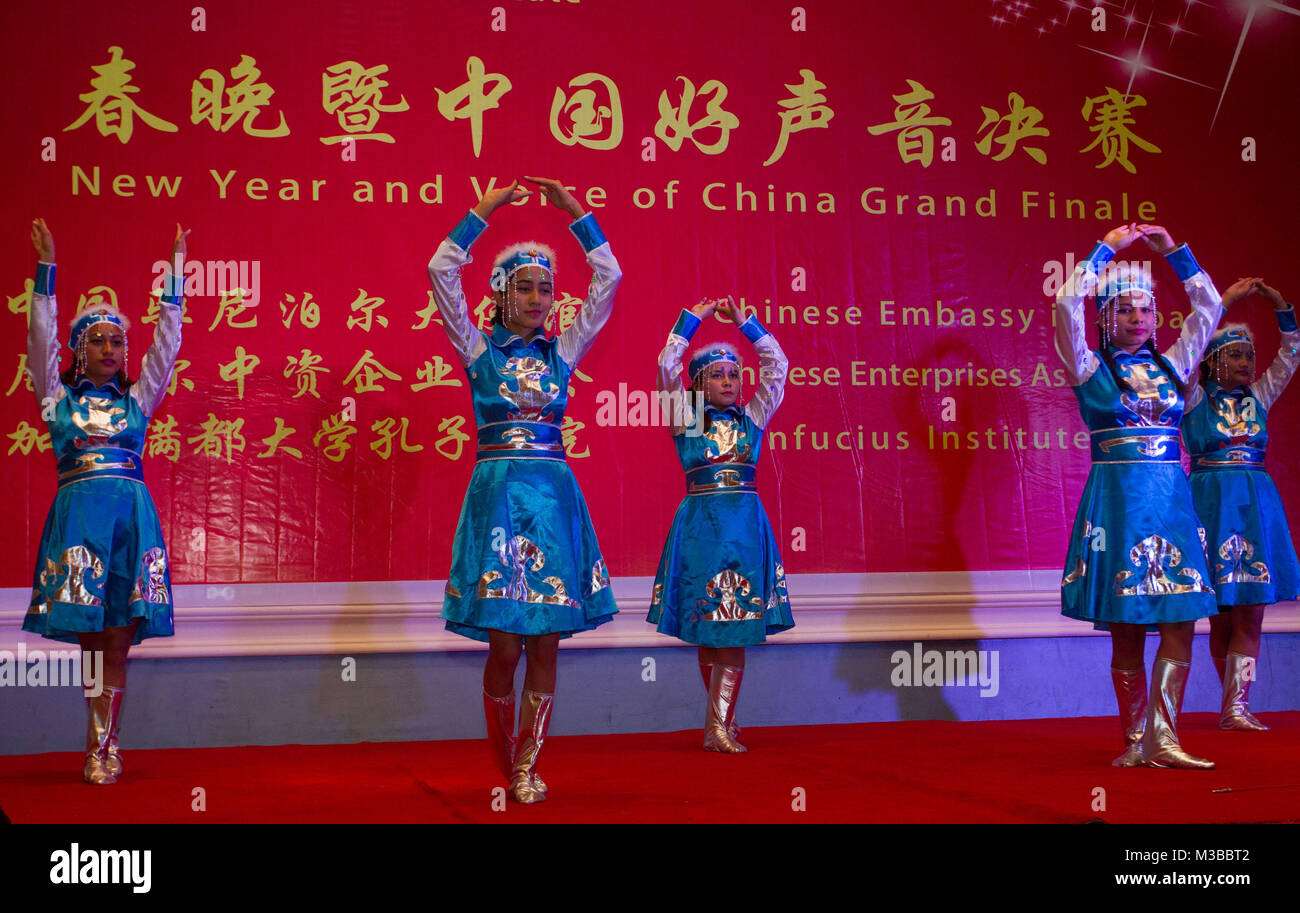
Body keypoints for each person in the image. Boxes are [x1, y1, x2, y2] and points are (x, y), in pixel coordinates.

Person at [426, 176, 620, 803]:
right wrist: (486, 207)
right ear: (502, 293)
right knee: (505, 647)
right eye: (526, 287)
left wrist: (576, 211)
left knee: (546, 641)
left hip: (552, 500)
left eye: (546, 289)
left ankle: (526, 764)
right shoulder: (478, 350)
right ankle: (503, 752)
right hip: (499, 501)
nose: (538, 299)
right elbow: (441, 270)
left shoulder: (564, 352)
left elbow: (610, 278)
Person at [1054, 222, 1238, 769]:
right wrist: (1106, 250)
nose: (1138, 318)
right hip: (1119, 502)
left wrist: (1175, 254)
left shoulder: (1174, 364)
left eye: (1146, 310)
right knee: (1128, 629)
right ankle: (1136, 741)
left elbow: (1209, 307)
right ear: (1104, 319)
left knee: (1181, 619)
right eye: (1125, 310)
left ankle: (1165, 738)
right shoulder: (1087, 365)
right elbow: (1065, 303)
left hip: (1171, 501)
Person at [22, 218, 188, 784]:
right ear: (78, 348)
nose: (110, 349)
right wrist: (47, 269)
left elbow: (167, 347)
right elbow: (39, 343)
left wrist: (175, 276)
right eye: (97, 339)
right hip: (79, 525)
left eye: (118, 341)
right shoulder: (57, 401)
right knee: (91, 641)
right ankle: (95, 745)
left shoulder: (139, 400)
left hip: (130, 522)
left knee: (118, 638)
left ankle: (106, 749)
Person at [647, 295, 793, 752]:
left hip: (745, 531)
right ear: (697, 383)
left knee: (734, 623)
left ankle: (718, 726)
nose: (729, 381)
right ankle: (719, 724)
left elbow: (778, 367)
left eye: (734, 374)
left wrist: (747, 325)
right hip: (701, 531)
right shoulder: (686, 421)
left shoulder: (753, 417)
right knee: (710, 627)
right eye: (717, 374)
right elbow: (666, 365)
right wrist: (693, 321)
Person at [1183, 279, 1300, 730]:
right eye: (1234, 355)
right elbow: (1187, 348)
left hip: (1255, 506)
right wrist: (1226, 302)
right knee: (1222, 616)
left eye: (1249, 355)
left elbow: (1291, 353)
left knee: (1251, 611)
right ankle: (1230, 703)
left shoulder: (1260, 396)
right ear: (1211, 361)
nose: (1246, 363)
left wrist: (1281, 306)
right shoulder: (1193, 397)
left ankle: (1237, 707)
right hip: (1210, 505)